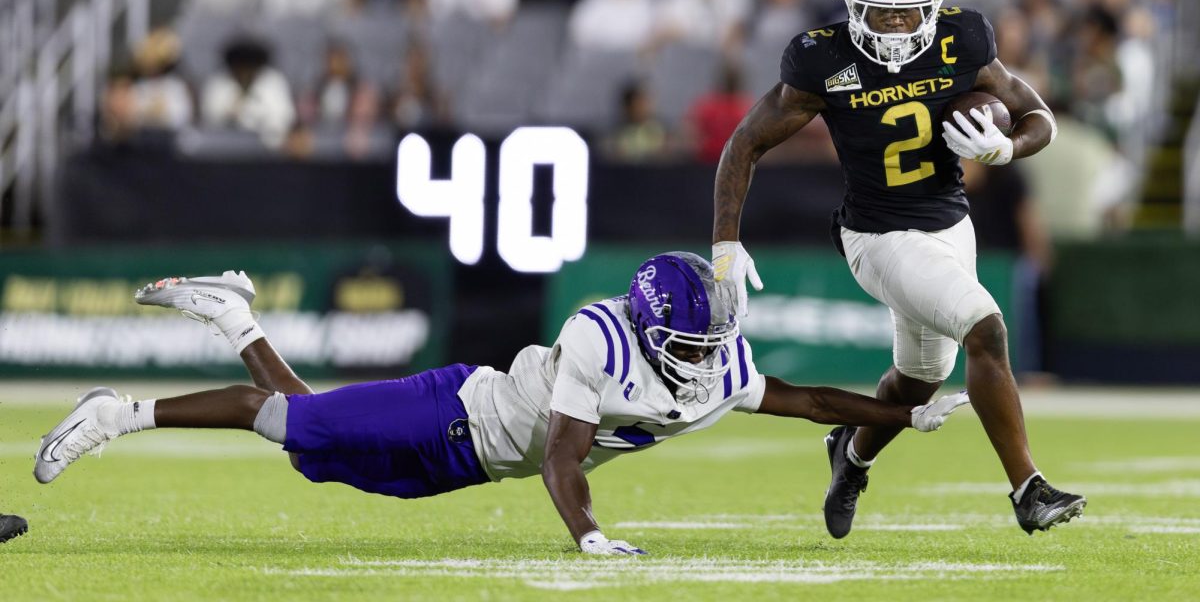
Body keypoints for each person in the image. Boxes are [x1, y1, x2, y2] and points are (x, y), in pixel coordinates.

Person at [34, 253, 968, 555]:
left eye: (711, 344)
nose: (704, 360)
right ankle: (121, 410)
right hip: (461, 411)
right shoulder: (600, 336)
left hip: (475, 458)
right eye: (686, 344)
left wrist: (902, 414)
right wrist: (590, 539)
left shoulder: (717, 363)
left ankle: (234, 317)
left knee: (311, 453)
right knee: (298, 426)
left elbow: (804, 400)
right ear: (646, 330)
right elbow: (564, 454)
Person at [710, 0, 1086, 538]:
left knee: (919, 376)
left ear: (932, 4)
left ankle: (851, 455)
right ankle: (1027, 489)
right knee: (985, 330)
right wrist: (725, 240)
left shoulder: (965, 37)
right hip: (877, 235)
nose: (890, 24)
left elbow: (1036, 113)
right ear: (851, 4)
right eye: (877, 10)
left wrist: (1005, 147)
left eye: (905, 10)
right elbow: (743, 144)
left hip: (950, 225)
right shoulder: (821, 58)